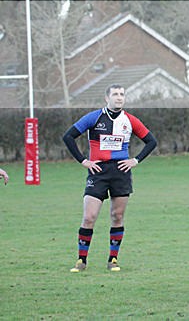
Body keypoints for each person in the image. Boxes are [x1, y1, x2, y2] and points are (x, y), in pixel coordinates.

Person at [62, 84, 158, 273]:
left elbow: (151, 141)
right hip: (97, 171)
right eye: (115, 94)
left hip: (120, 172)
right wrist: (84, 161)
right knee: (89, 217)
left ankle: (113, 259)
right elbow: (68, 136)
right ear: (107, 98)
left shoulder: (130, 120)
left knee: (117, 216)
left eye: (122, 94)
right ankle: (81, 260)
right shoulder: (94, 117)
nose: (119, 97)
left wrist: (135, 160)